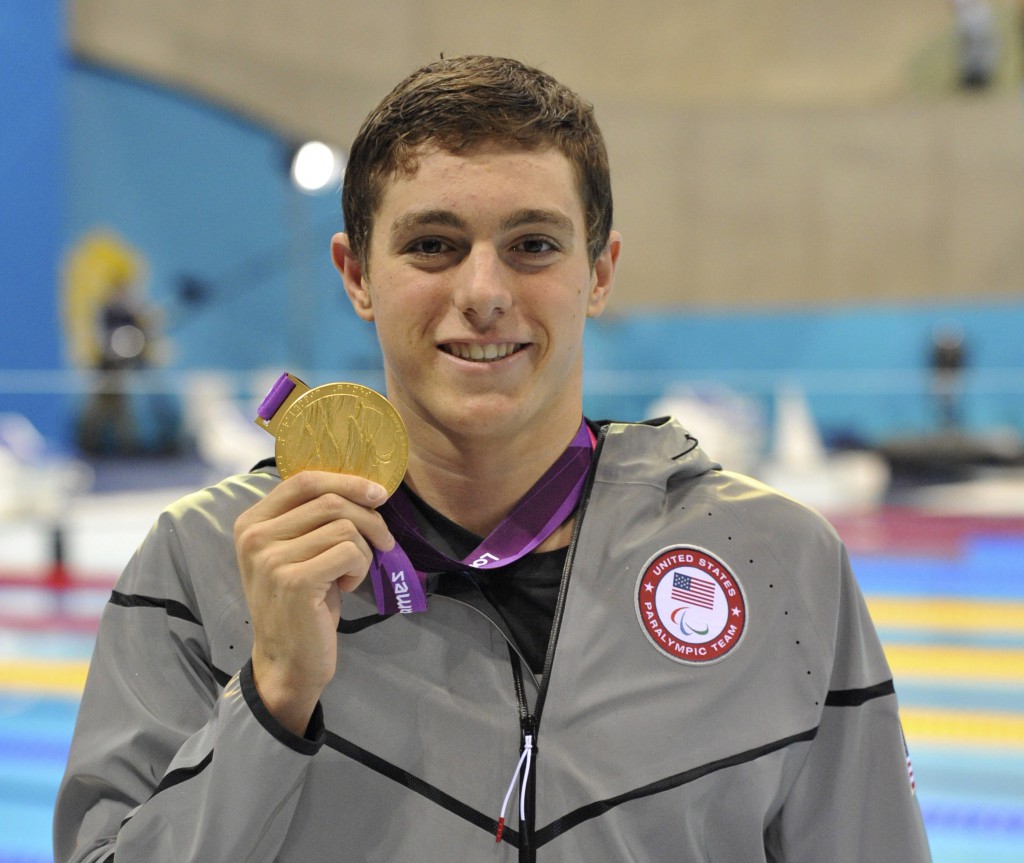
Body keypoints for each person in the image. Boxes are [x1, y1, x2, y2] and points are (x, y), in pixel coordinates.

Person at [54, 55, 931, 862]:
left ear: (600, 272)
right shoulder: (204, 564)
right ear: (356, 274)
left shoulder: (779, 563)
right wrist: (273, 695)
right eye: (433, 244)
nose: (483, 294)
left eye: (534, 245)